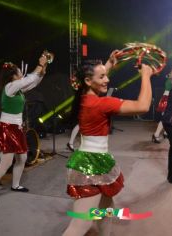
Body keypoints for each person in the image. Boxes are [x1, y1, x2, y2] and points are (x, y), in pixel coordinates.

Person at [62, 52, 154, 236]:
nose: (107, 79)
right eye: (102, 76)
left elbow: (93, 78)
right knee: (80, 225)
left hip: (92, 160)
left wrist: (109, 64)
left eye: (106, 75)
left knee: (105, 211)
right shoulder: (101, 104)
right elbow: (142, 106)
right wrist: (145, 75)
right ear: (88, 81)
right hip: (90, 166)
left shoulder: (83, 97)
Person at [0, 52, 48, 208]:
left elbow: (34, 82)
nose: (21, 73)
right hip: (6, 128)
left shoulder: (17, 89)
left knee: (22, 158)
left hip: (16, 128)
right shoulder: (10, 87)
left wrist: (43, 69)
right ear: (13, 75)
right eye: (18, 71)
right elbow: (29, 78)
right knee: (5, 163)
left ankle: (15, 185)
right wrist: (40, 64)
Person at [152, 68, 172, 143]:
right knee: (165, 118)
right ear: (169, 73)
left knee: (168, 118)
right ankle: (156, 135)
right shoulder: (171, 80)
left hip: (169, 99)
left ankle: (166, 133)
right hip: (166, 100)